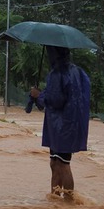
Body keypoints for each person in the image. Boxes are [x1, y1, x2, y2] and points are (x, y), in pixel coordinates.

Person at [29, 45, 91, 197]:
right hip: (70, 125)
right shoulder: (77, 71)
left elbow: (55, 100)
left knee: (62, 164)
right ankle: (56, 200)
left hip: (61, 127)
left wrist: (39, 96)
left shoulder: (57, 73)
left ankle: (69, 201)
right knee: (55, 163)